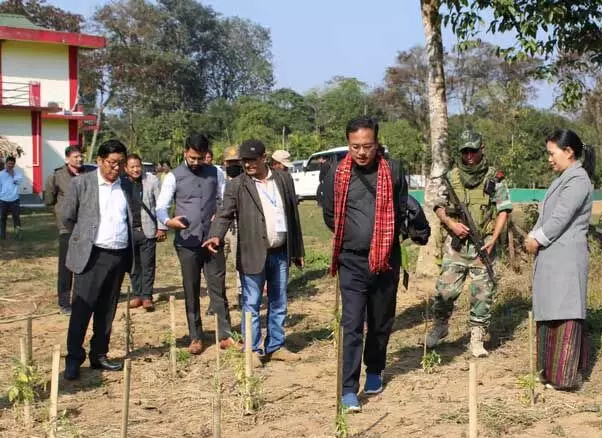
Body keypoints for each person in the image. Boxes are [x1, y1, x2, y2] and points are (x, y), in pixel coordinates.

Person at [321, 117, 409, 413]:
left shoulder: (393, 170)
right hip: (352, 260)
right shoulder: (337, 171)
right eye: (355, 146)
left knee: (381, 319)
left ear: (377, 144)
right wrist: (354, 236)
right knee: (352, 322)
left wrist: (382, 242)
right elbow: (330, 214)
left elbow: (400, 207)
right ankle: (348, 387)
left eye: (367, 146)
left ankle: (374, 369)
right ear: (348, 144)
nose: (361, 152)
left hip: (385, 259)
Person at [204, 139, 305, 362]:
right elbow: (224, 213)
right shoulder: (237, 184)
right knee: (252, 303)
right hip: (252, 252)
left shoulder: (283, 179)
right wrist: (215, 235)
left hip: (279, 252)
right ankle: (253, 348)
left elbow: (293, 216)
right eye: (244, 161)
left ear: (264, 158)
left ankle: (276, 345)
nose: (248, 165)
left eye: (252, 160)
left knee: (279, 300)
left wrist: (297, 251)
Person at [425, 130, 512, 357]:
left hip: (483, 245)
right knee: (445, 290)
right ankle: (440, 326)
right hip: (456, 246)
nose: (469, 156)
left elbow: (504, 209)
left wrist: (494, 238)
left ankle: (476, 336)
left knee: (483, 292)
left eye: (473, 150)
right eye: (465, 151)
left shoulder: (494, 179)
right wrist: (451, 224)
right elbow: (438, 205)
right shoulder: (451, 178)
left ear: (481, 149)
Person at [524, 129, 594, 391]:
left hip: (565, 259)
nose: (549, 159)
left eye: (552, 154)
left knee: (565, 315)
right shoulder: (565, 177)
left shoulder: (578, 180)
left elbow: (560, 218)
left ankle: (565, 378)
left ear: (568, 152)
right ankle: (548, 373)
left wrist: (536, 239)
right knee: (551, 314)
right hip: (554, 259)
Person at [60, 140, 133, 380]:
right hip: (91, 256)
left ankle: (99, 355)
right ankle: (73, 359)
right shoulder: (81, 184)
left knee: (107, 310)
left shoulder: (127, 186)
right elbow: (68, 218)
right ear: (100, 161)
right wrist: (84, 241)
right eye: (112, 163)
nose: (117, 168)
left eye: (121, 164)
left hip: (118, 255)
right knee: (83, 309)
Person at [156, 133, 235, 354]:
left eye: (200, 158)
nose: (196, 163)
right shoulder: (173, 176)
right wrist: (168, 221)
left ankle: (226, 333)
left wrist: (218, 218)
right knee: (191, 289)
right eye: (192, 158)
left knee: (217, 287)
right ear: (185, 154)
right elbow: (161, 207)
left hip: (212, 240)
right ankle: (196, 336)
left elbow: (224, 201)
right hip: (187, 242)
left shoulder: (216, 173)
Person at [45, 145, 88, 314]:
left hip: (85, 225)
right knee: (66, 265)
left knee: (85, 262)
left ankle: (82, 298)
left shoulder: (89, 174)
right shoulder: (57, 176)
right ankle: (64, 301)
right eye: (76, 157)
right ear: (67, 159)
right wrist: (60, 214)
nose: (80, 159)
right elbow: (49, 199)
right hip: (67, 227)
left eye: (81, 156)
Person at [125, 154, 164, 312]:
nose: (136, 169)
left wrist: (161, 227)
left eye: (138, 166)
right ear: (126, 168)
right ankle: (137, 294)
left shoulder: (152, 180)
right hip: (129, 231)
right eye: (132, 167)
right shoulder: (121, 183)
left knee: (148, 264)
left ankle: (147, 296)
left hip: (148, 230)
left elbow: (160, 205)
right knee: (133, 265)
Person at [222, 145, 243, 307]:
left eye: (236, 161)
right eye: (230, 162)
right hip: (221, 227)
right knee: (216, 265)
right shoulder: (218, 179)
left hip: (239, 225)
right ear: (224, 163)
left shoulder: (246, 180)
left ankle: (240, 294)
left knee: (240, 263)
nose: (233, 165)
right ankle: (217, 298)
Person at [0, 155, 24, 241]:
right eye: (9, 163)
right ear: (6, 163)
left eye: (12, 164)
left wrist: (12, 175)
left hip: (14, 200)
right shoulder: (1, 174)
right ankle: (2, 235)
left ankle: (18, 234)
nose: (10, 165)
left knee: (16, 218)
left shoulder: (18, 174)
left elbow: (18, 182)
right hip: (3, 200)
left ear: (14, 164)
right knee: (2, 218)